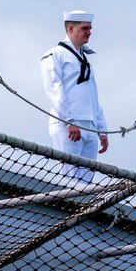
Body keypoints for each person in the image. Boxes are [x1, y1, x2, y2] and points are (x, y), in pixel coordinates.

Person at [40, 10, 109, 183]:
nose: (89, 32)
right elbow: (54, 90)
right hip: (69, 124)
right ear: (70, 28)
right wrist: (69, 120)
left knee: (86, 182)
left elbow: (93, 96)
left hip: (90, 126)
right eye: (85, 28)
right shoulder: (55, 55)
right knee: (69, 180)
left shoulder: (86, 60)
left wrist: (102, 129)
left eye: (90, 28)